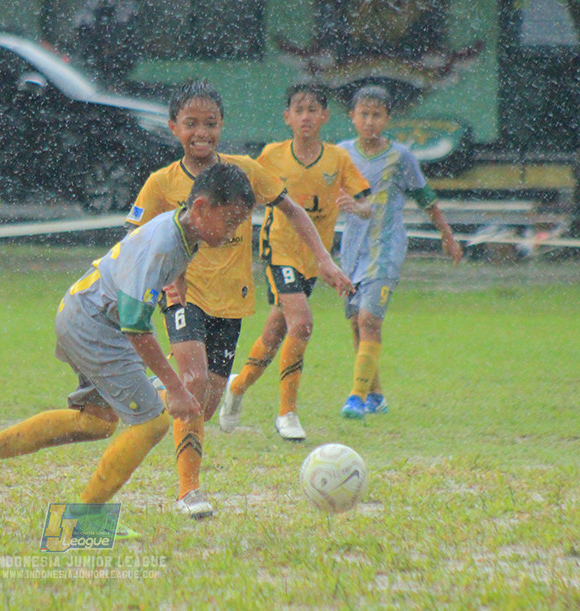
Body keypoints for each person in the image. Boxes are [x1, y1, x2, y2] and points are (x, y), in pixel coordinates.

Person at [0, 162, 255, 537]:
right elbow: (135, 327)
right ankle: (84, 519)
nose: (234, 231)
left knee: (95, 422)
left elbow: (173, 277)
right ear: (203, 207)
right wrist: (174, 387)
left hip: (83, 313)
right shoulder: (163, 244)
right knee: (154, 420)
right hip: (95, 325)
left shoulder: (184, 233)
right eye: (231, 220)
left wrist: (177, 316)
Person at [125, 80, 354, 519]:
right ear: (174, 127)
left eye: (210, 123)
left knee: (206, 403)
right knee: (191, 383)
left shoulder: (245, 170)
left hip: (231, 301)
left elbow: (292, 210)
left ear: (221, 126)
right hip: (181, 295)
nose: (202, 133)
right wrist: (156, 278)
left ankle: (160, 390)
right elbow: (132, 237)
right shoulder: (161, 183)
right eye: (191, 124)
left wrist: (324, 260)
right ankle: (189, 491)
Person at [218, 83, 370, 441]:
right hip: (279, 251)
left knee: (276, 332)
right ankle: (287, 413)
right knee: (301, 324)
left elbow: (366, 204)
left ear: (325, 116)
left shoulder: (338, 159)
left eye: (313, 109)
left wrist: (358, 208)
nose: (306, 116)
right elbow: (247, 191)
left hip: (314, 260)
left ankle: (237, 388)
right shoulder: (272, 155)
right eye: (299, 110)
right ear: (287, 117)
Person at [336, 85, 463, 417]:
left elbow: (426, 198)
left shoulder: (400, 157)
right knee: (355, 324)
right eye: (363, 114)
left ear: (388, 118)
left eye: (376, 114)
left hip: (386, 250)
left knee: (369, 320)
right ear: (352, 117)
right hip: (351, 252)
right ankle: (375, 395)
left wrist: (447, 236)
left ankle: (356, 398)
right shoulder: (341, 153)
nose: (369, 121)